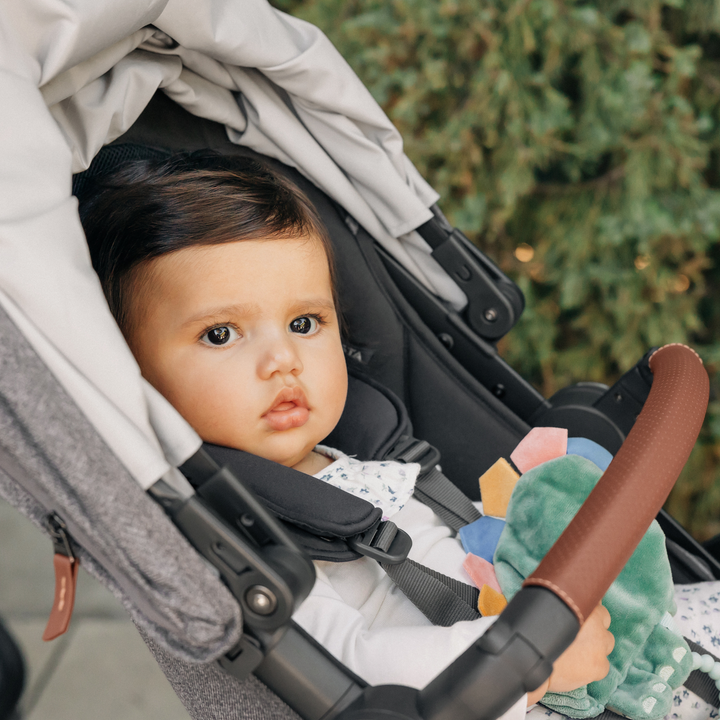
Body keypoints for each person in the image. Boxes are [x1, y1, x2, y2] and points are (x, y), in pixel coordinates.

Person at [77, 151, 715, 720]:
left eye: (304, 321)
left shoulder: (368, 449)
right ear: (133, 373)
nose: (283, 361)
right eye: (221, 334)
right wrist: (532, 660)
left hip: (560, 628)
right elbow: (355, 665)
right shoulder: (242, 545)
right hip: (500, 686)